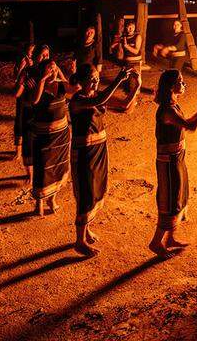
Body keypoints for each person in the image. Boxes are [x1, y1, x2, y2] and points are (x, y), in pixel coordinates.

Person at [69, 63, 141, 256]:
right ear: (81, 81)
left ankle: (87, 229)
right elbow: (101, 98)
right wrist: (118, 79)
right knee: (86, 192)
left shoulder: (96, 98)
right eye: (91, 78)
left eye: (97, 78)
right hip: (85, 152)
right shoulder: (77, 100)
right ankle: (79, 241)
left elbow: (125, 107)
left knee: (97, 189)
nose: (95, 81)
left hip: (99, 149)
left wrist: (136, 87)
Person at [149, 69, 197, 256]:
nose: (184, 84)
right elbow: (190, 126)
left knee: (179, 196)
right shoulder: (167, 111)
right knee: (170, 200)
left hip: (177, 158)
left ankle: (170, 238)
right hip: (168, 162)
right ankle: (155, 242)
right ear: (171, 86)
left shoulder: (173, 105)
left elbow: (186, 122)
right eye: (181, 81)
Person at [27, 56, 78, 217]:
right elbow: (34, 101)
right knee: (43, 169)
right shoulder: (36, 85)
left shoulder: (60, 85)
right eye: (50, 68)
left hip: (61, 135)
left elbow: (76, 88)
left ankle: (52, 199)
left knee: (58, 168)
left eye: (55, 67)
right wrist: (42, 80)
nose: (53, 70)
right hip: (43, 136)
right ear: (43, 71)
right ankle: (39, 202)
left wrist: (64, 73)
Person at [17, 44, 50, 181]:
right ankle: (30, 174)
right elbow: (17, 94)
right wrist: (22, 80)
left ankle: (42, 171)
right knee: (29, 144)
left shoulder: (50, 72)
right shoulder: (28, 72)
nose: (45, 58)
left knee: (44, 145)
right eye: (42, 55)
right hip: (30, 113)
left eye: (47, 55)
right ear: (35, 56)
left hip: (44, 113)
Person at [12, 43, 36, 157]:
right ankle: (18, 149)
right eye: (29, 52)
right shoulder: (22, 61)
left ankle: (31, 148)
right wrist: (21, 68)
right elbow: (16, 79)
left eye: (32, 52)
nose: (30, 54)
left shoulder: (38, 65)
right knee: (19, 120)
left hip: (33, 96)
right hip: (23, 96)